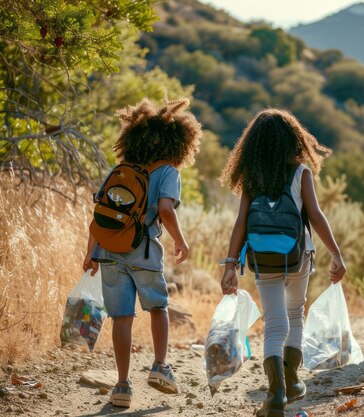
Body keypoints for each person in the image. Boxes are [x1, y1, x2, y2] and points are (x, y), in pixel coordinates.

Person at [219, 108, 346, 417]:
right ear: (293, 139)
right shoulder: (301, 171)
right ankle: (291, 381)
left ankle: (275, 396)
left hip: (263, 261)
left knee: (275, 324)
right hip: (298, 257)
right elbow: (315, 216)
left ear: (253, 143)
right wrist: (336, 253)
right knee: (295, 314)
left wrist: (230, 264)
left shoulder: (252, 177)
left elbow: (241, 223)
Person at [82, 98, 202, 408]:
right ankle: (160, 367)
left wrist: (90, 252)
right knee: (158, 307)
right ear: (179, 142)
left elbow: (100, 213)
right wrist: (180, 240)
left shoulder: (121, 169)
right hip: (144, 250)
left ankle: (122, 387)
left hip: (109, 250)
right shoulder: (168, 172)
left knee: (121, 317)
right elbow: (165, 209)